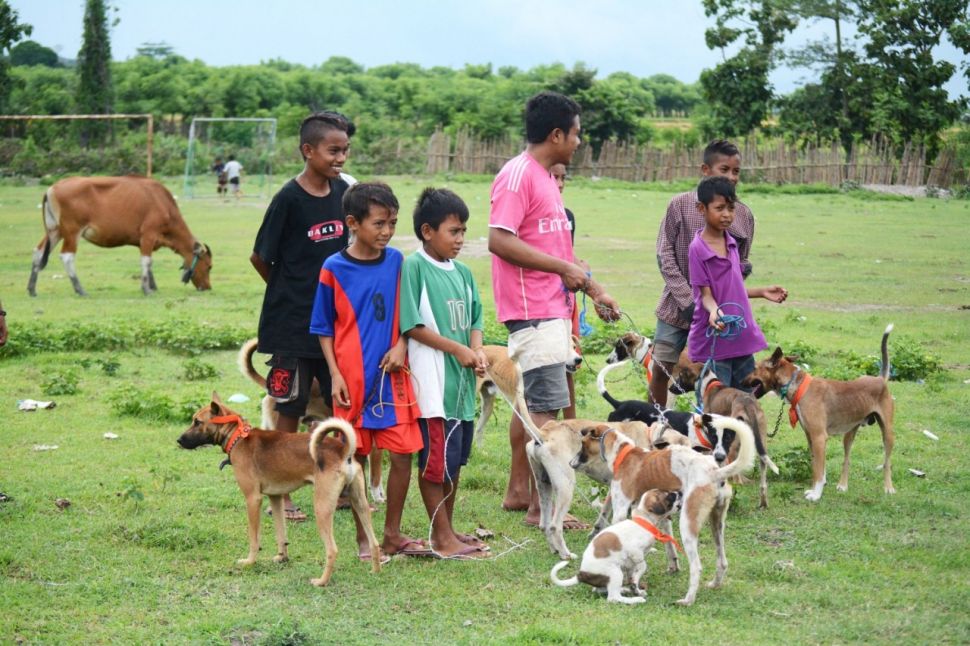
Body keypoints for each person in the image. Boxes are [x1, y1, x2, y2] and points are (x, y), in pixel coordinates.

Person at [488, 91, 620, 528]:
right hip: (532, 311)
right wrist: (563, 268)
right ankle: (540, 509)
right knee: (545, 418)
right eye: (576, 134)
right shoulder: (517, 176)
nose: (579, 142)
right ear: (557, 133)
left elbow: (559, 253)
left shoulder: (547, 178)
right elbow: (499, 241)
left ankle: (534, 502)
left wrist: (595, 290)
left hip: (554, 311)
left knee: (544, 410)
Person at [311, 182, 430, 560]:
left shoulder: (397, 262)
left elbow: (410, 316)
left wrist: (402, 345)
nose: (387, 232)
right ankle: (365, 538)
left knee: (403, 454)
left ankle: (392, 533)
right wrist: (334, 374)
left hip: (393, 378)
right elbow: (324, 327)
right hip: (351, 380)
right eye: (379, 223)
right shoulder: (333, 268)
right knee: (354, 458)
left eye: (392, 223)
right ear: (352, 223)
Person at [249, 111, 354, 522]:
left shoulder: (344, 192)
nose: (341, 158)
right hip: (292, 324)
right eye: (333, 150)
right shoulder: (287, 199)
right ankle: (284, 490)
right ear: (308, 151)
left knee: (337, 402)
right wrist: (287, 290)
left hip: (335, 323)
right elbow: (261, 257)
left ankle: (338, 483)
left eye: (345, 149)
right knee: (288, 407)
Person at [400, 187, 491, 558]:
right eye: (453, 231)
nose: (460, 239)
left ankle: (448, 530)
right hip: (434, 387)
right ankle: (440, 537)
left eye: (463, 231)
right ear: (427, 231)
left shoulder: (465, 273)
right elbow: (412, 325)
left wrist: (478, 348)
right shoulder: (414, 267)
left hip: (462, 387)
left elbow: (475, 317)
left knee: (455, 462)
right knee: (436, 465)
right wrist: (458, 350)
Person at [650, 139, 756, 407]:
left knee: (723, 376)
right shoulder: (680, 205)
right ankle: (655, 423)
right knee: (661, 367)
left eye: (736, 171)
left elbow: (740, 266)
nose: (731, 177)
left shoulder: (743, 215)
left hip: (721, 313)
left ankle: (725, 433)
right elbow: (665, 255)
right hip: (676, 306)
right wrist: (688, 300)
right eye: (725, 169)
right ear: (705, 170)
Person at [687, 176, 787, 386]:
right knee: (719, 404)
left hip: (740, 335)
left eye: (731, 208)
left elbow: (731, 288)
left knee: (746, 399)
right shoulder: (697, 248)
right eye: (719, 208)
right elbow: (706, 295)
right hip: (715, 337)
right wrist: (714, 311)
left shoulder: (731, 242)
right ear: (701, 209)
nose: (726, 214)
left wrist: (762, 292)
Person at [550, 163, 584, 420]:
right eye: (554, 177)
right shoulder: (534, 215)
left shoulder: (568, 216)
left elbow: (566, 253)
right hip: (545, 301)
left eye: (563, 178)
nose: (560, 184)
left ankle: (571, 425)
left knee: (569, 362)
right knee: (548, 367)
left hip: (567, 297)